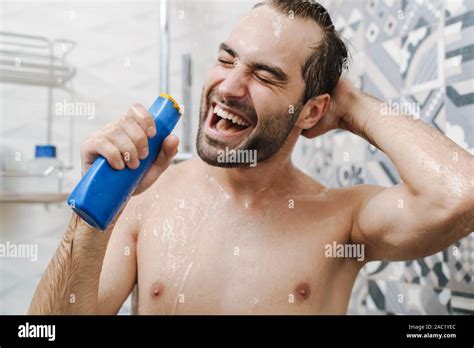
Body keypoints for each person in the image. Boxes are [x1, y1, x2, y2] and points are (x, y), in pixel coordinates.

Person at [29, 0, 473, 314]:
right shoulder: (145, 198)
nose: (228, 87)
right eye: (226, 59)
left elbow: (460, 194)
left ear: (313, 109)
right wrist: (94, 210)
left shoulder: (341, 219)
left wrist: (352, 105)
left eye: (265, 75)